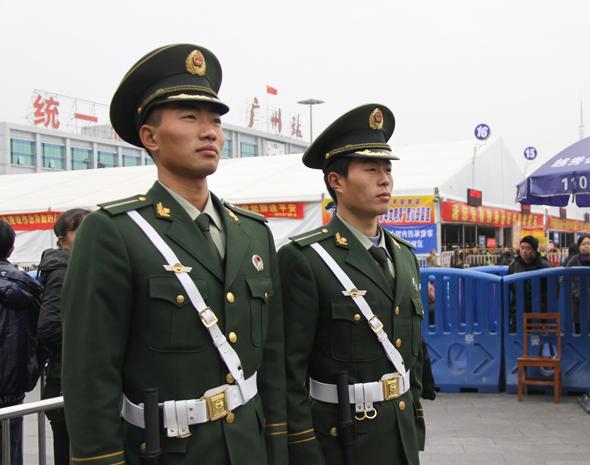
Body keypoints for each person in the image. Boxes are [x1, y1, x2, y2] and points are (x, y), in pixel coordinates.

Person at [60, 44, 287, 465]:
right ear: (150, 137)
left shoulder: (253, 234)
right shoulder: (114, 233)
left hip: (250, 449)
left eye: (215, 121)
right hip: (168, 451)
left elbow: (271, 364)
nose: (210, 132)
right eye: (190, 118)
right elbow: (90, 375)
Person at [278, 104, 425, 465]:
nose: (385, 179)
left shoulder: (404, 256)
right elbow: (288, 372)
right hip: (342, 440)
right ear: (336, 181)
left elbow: (413, 354)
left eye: (388, 169)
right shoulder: (305, 259)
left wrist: (415, 418)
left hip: (400, 433)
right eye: (371, 169)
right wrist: (302, 449)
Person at [37, 208, 90, 465]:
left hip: (79, 381)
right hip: (66, 383)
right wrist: (94, 344)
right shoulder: (62, 271)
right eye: (82, 232)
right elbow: (48, 328)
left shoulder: (85, 267)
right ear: (63, 240)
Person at [0, 220, 45, 465]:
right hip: (12, 392)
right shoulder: (30, 287)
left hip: (13, 389)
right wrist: (30, 371)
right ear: (10, 249)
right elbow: (44, 336)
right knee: (9, 453)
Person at [507, 235, 554, 333]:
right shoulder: (515, 264)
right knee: (517, 341)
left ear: (535, 250)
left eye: (528, 248)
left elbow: (553, 290)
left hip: (538, 312)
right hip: (518, 311)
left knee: (535, 341)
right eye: (522, 248)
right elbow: (510, 286)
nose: (524, 251)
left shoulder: (545, 266)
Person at [565, 233, 590, 333]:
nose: (587, 246)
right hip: (579, 302)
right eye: (583, 244)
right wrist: (576, 293)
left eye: (589, 243)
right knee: (580, 331)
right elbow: (564, 280)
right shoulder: (574, 261)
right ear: (579, 247)